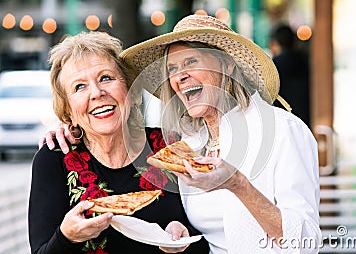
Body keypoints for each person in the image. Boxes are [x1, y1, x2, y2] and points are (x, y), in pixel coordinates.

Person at [42, 15, 321, 253]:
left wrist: (237, 184)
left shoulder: (282, 130)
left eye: (190, 62)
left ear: (227, 65)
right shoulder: (188, 141)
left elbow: (307, 242)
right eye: (172, 69)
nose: (179, 77)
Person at [29, 31, 209, 254]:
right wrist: (66, 237)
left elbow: (211, 238)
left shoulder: (171, 146)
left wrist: (185, 236)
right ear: (68, 110)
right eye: (79, 87)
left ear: (131, 92)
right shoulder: (55, 159)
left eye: (106, 78)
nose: (97, 93)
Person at [269, 24, 311, 127]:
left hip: (284, 122)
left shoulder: (273, 67)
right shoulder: (304, 61)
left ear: (275, 43)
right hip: (307, 119)